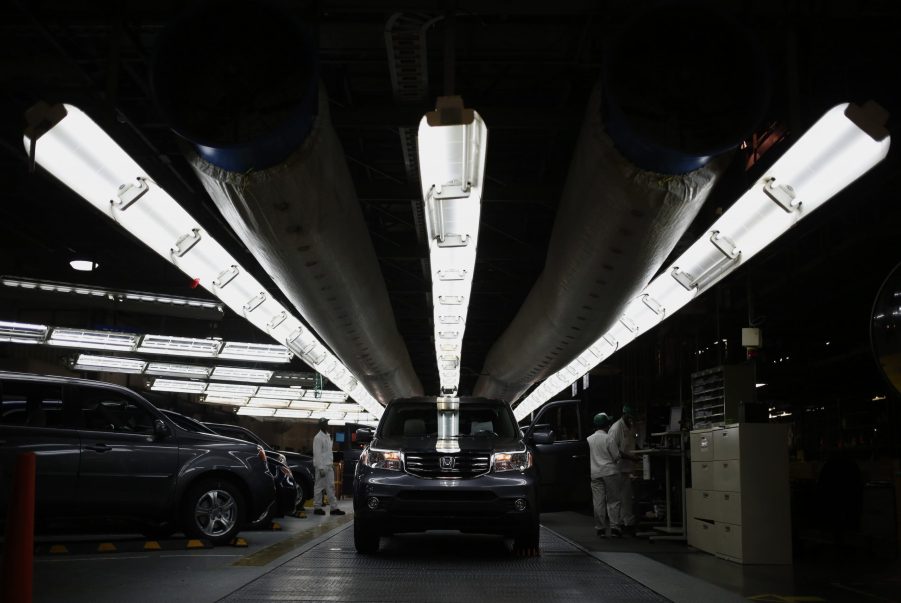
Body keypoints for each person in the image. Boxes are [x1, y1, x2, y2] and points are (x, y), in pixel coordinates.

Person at [608, 405, 642, 535]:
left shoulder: (630, 427)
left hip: (626, 468)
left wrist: (640, 451)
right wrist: (632, 458)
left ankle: (625, 523)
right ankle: (617, 525)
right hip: (617, 468)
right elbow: (614, 450)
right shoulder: (616, 428)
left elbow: (632, 441)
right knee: (618, 498)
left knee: (626, 497)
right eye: (631, 418)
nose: (633, 420)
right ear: (626, 416)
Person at [587, 412, 622, 538]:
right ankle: (615, 528)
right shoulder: (608, 438)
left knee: (598, 501)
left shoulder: (589, 439)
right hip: (610, 472)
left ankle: (600, 528)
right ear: (607, 425)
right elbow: (617, 456)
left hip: (595, 473)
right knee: (613, 500)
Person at [312, 417, 345, 516]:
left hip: (329, 466)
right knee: (319, 487)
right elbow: (317, 454)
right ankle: (317, 508)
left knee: (331, 487)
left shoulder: (327, 436)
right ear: (321, 425)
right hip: (322, 467)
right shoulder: (318, 438)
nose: (327, 425)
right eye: (324, 423)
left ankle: (334, 508)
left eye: (327, 423)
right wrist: (320, 468)